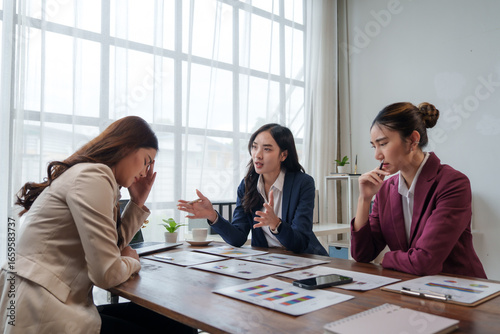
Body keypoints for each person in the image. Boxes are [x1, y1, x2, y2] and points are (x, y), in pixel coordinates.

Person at [0, 116, 196, 333]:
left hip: (51, 302)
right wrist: (132, 261)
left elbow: (109, 245)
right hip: (46, 311)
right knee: (179, 329)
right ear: (127, 147)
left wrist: (137, 202)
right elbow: (107, 274)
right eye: (146, 160)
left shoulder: (90, 175)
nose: (145, 172)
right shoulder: (94, 176)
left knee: (179, 326)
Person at [351, 102, 487, 278]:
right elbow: (362, 255)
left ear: (413, 140)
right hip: (412, 290)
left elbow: (425, 262)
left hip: (459, 291)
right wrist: (364, 199)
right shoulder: (385, 190)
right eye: (374, 146)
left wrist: (386, 258)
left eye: (383, 144)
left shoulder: (453, 183)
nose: (377, 155)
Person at [178, 123, 328, 256]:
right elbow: (238, 238)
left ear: (283, 155)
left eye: (267, 149)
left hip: (305, 260)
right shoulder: (247, 186)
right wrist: (213, 216)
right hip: (269, 262)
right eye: (254, 147)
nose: (257, 155)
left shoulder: (303, 183)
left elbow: (300, 242)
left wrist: (276, 224)